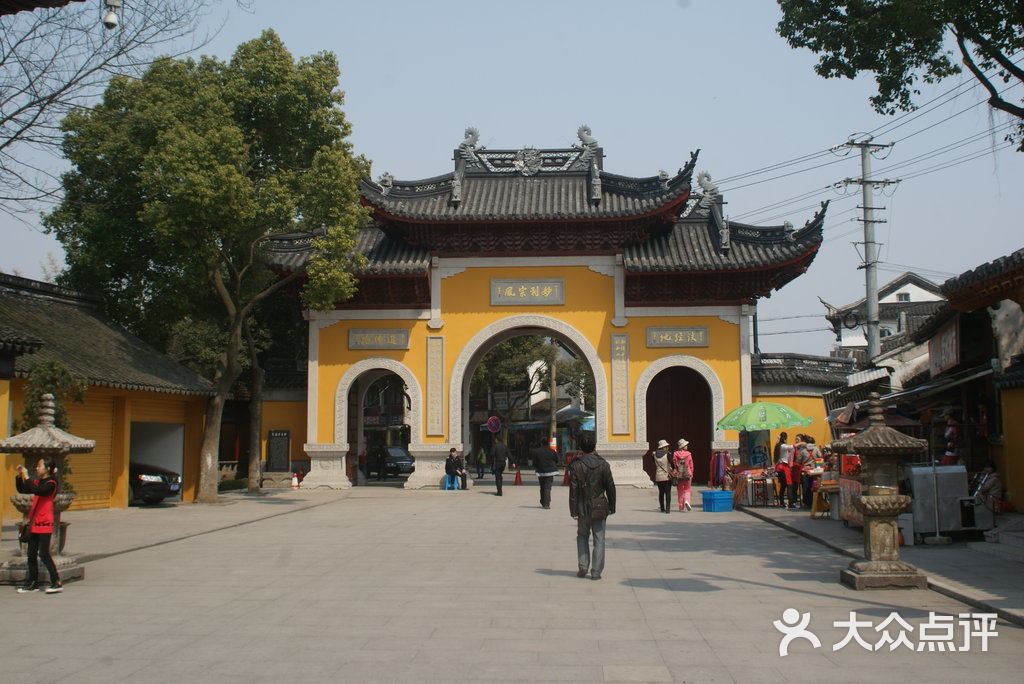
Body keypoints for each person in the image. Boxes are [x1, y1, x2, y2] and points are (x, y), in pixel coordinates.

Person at [569, 432, 615, 580]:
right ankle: (596, 571)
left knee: (582, 536)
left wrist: (573, 510)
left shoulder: (576, 465)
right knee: (599, 538)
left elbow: (574, 490)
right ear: (595, 445)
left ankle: (583, 567)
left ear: (581, 447)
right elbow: (610, 487)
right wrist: (612, 506)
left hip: (583, 507)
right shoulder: (604, 464)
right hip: (600, 506)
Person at [14, 458, 62, 594]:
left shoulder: (51, 484)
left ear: (47, 469)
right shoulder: (38, 482)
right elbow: (23, 488)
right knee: (31, 554)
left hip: (45, 522)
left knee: (44, 554)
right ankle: (33, 583)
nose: (37, 468)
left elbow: (38, 491)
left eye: (39, 466)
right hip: (34, 523)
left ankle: (56, 581)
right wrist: (20, 476)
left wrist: (27, 476)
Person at [533, 438, 560, 509]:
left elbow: (534, 462)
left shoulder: (536, 451)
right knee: (548, 487)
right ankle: (547, 503)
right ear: (548, 443)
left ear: (541, 443)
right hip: (550, 471)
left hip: (541, 471)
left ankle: (543, 501)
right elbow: (557, 460)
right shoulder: (552, 451)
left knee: (542, 487)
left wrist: (536, 467)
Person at [672, 438, 694, 512]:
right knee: (687, 489)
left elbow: (674, 465)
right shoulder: (689, 454)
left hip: (679, 474)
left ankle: (681, 506)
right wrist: (692, 473)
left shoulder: (675, 454)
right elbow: (691, 465)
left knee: (680, 490)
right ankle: (687, 501)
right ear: (683, 446)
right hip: (688, 474)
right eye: (686, 445)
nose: (687, 446)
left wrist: (675, 472)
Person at [652, 439, 672, 514]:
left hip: (658, 476)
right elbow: (672, 464)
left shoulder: (654, 455)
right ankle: (668, 509)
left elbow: (653, 461)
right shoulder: (668, 454)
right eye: (667, 446)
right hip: (667, 476)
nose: (668, 448)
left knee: (661, 493)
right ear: (664, 447)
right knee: (668, 493)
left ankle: (662, 508)